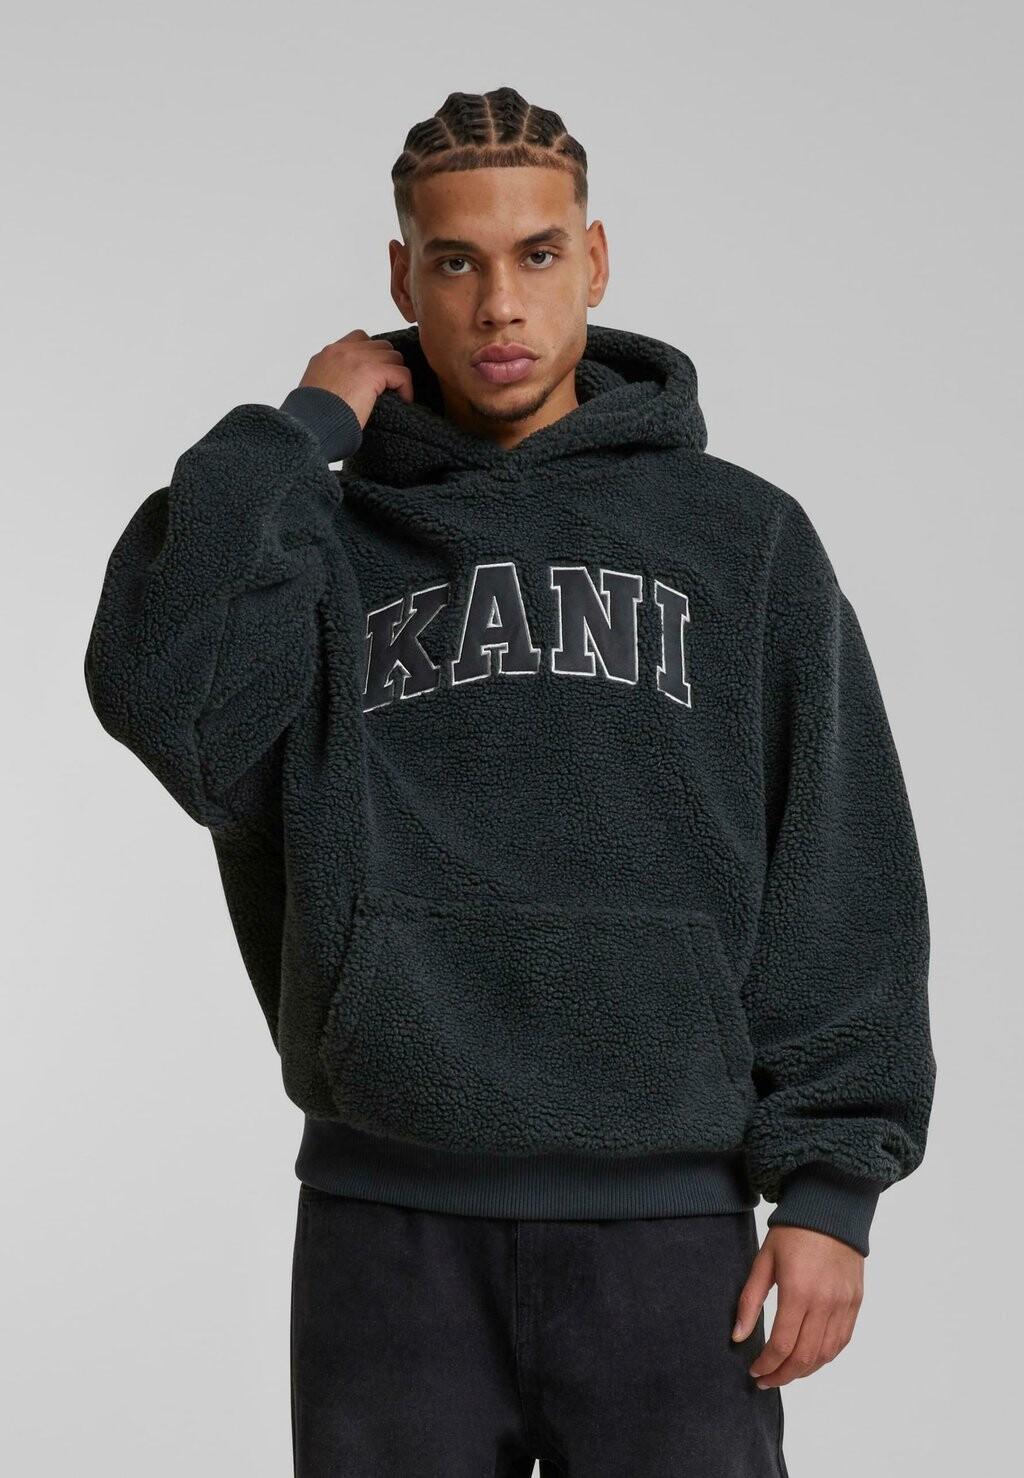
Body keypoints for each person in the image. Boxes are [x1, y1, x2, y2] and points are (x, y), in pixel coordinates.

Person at [84, 85, 936, 1477]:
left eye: (537, 254)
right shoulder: (323, 541)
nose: (499, 304)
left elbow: (840, 859)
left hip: (670, 1227)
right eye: (456, 261)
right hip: (388, 1219)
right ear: (400, 280)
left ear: (594, 261)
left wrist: (833, 1188)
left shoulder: (744, 541)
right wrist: (299, 429)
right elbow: (166, 697)